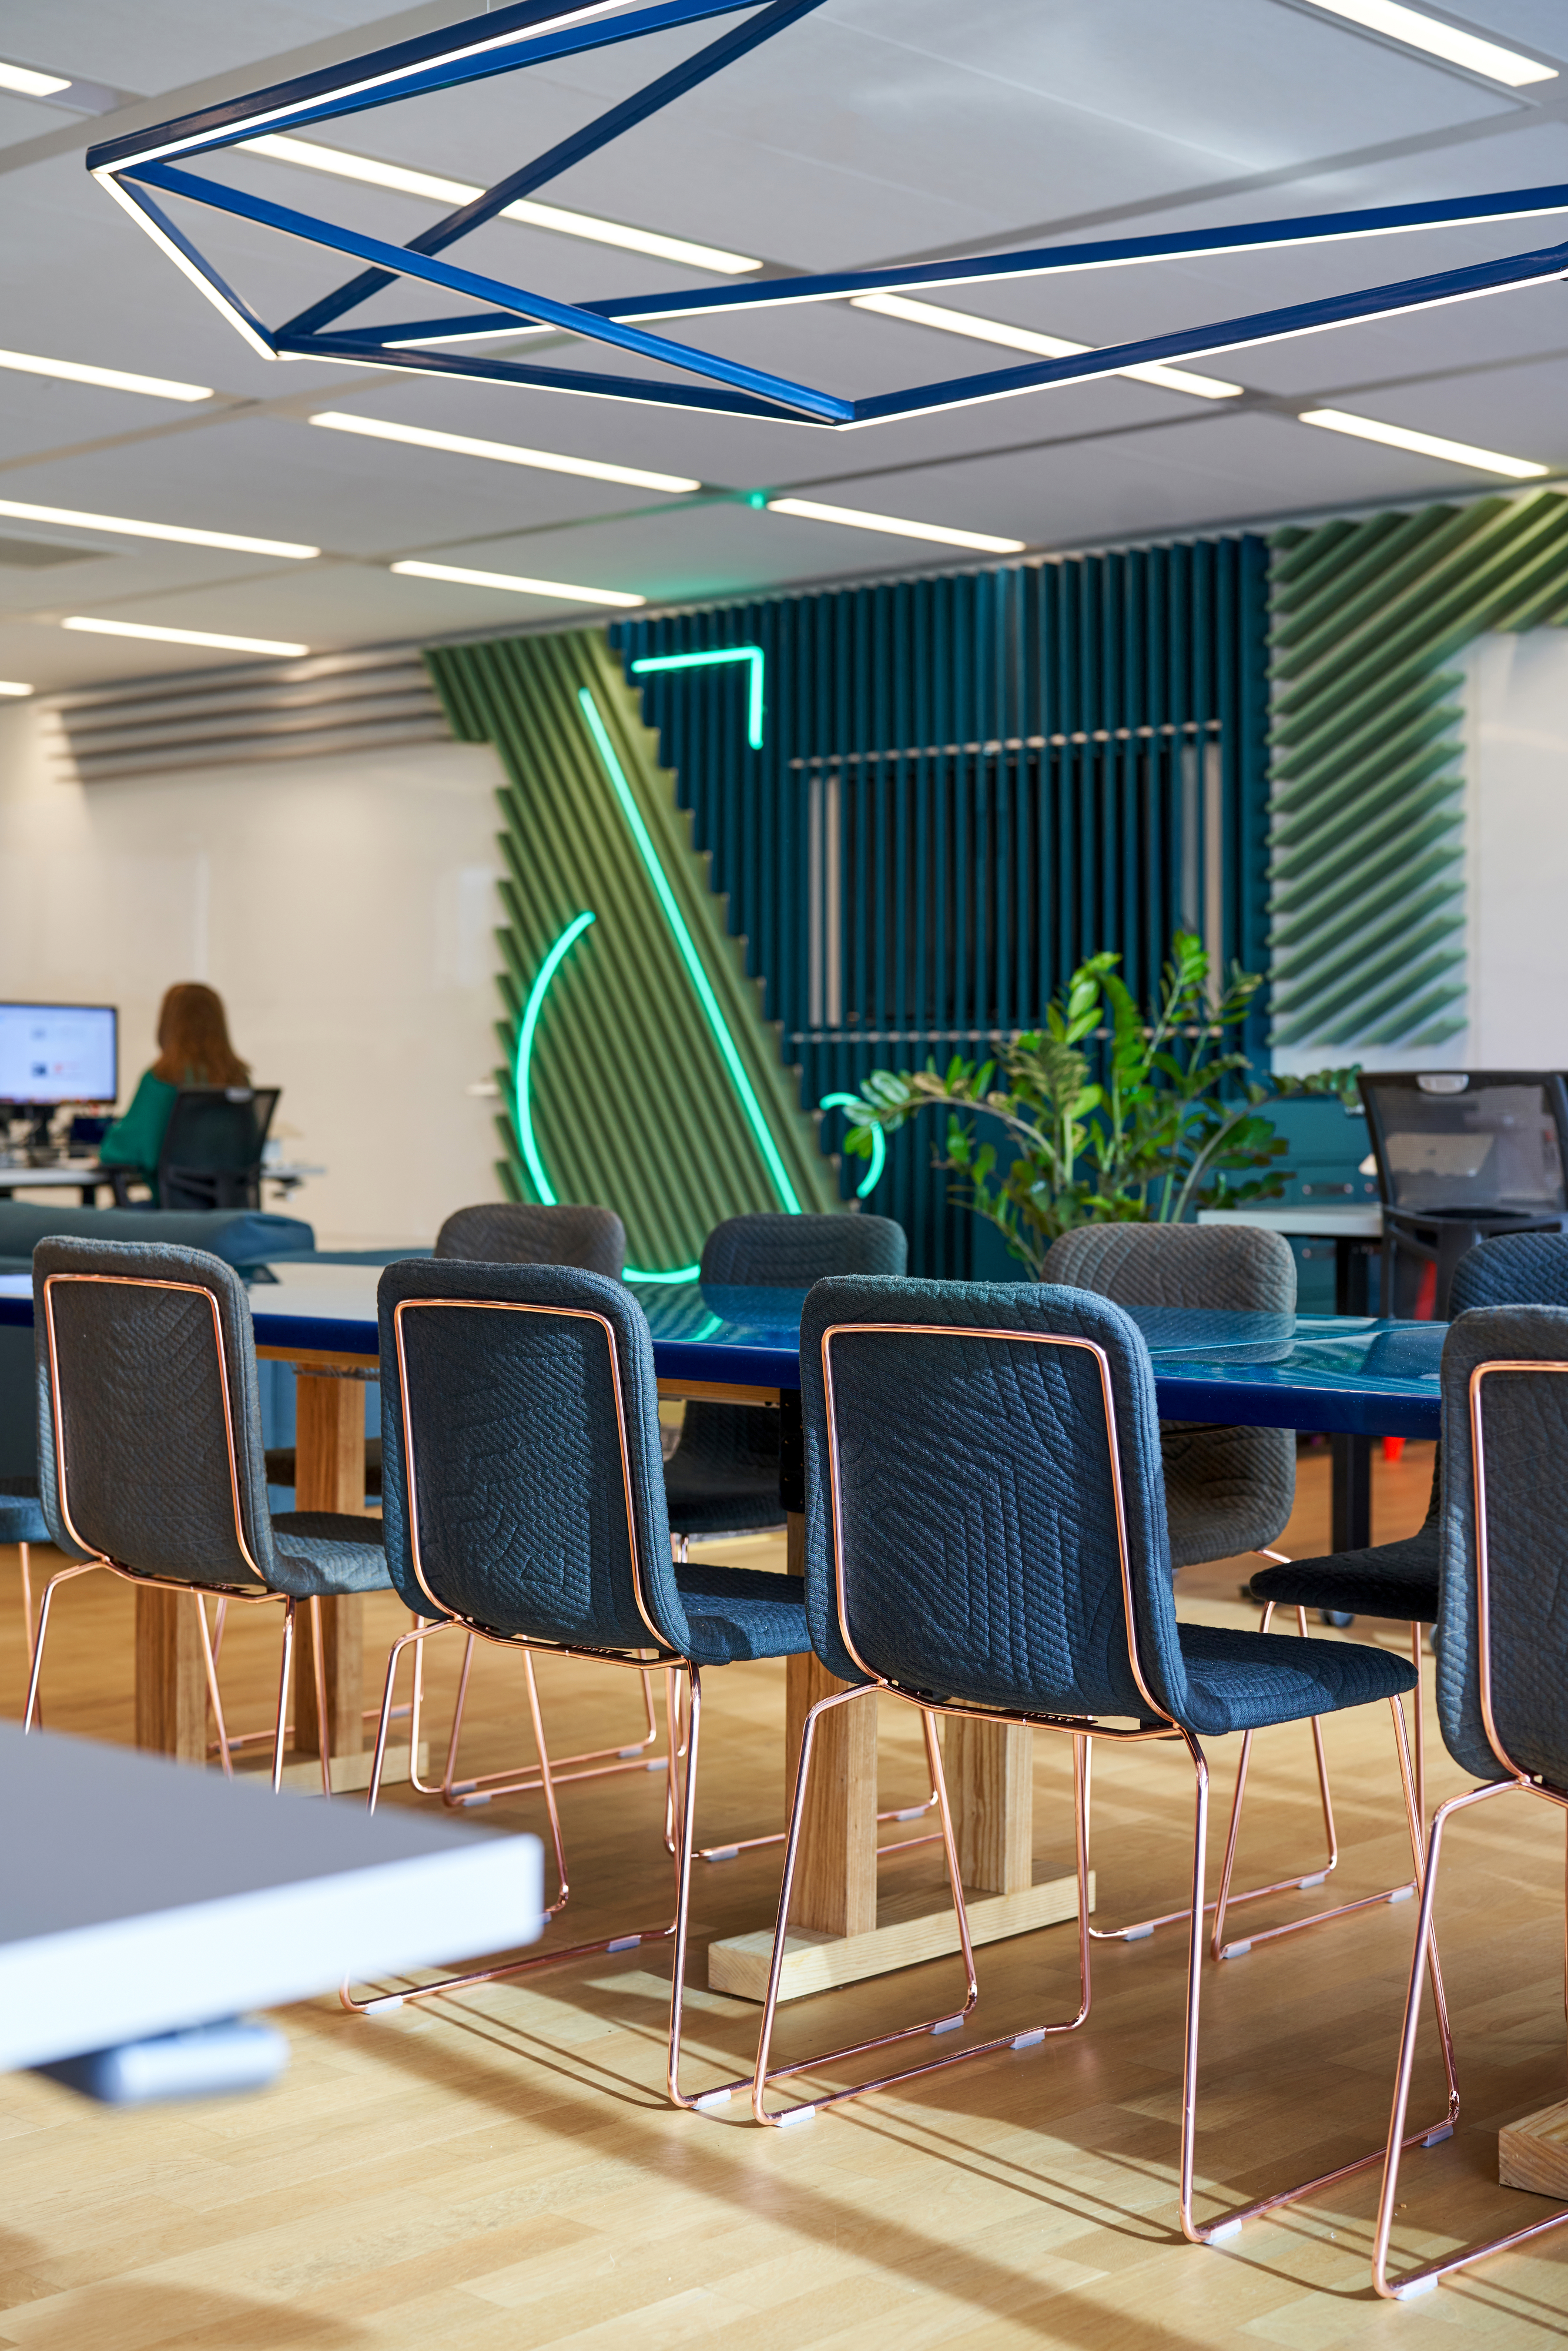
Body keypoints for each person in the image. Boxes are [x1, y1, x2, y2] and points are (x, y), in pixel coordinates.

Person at [99, 983, 251, 1200]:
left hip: (174, 1215)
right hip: (229, 1217)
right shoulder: (239, 1080)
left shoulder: (162, 1078)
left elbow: (122, 1152)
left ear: (168, 1024)